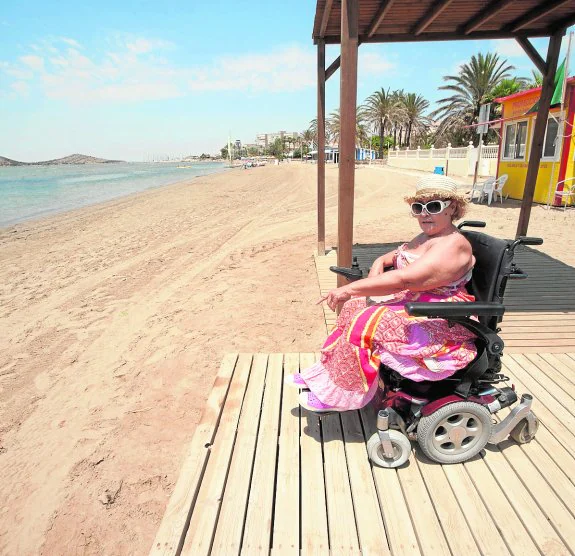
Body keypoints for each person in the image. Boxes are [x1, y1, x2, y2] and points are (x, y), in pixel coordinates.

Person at [287, 174, 478, 412]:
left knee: (365, 320)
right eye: (418, 207)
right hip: (415, 302)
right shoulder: (426, 237)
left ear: (453, 208)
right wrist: (377, 266)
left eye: (433, 206)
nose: (424, 214)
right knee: (354, 307)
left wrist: (349, 288)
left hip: (443, 312)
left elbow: (405, 279)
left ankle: (340, 396)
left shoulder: (453, 244)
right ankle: (327, 378)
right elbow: (394, 258)